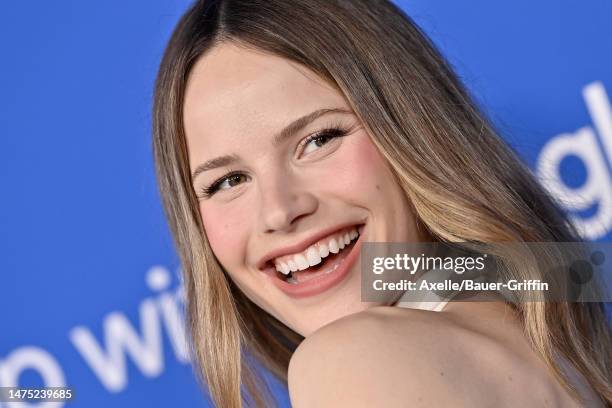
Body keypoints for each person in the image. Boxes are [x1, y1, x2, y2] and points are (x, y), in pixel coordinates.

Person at [151, 0, 612, 406]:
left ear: (413, 128)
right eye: (228, 180)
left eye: (318, 140)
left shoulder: (347, 361)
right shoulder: (558, 346)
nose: (279, 210)